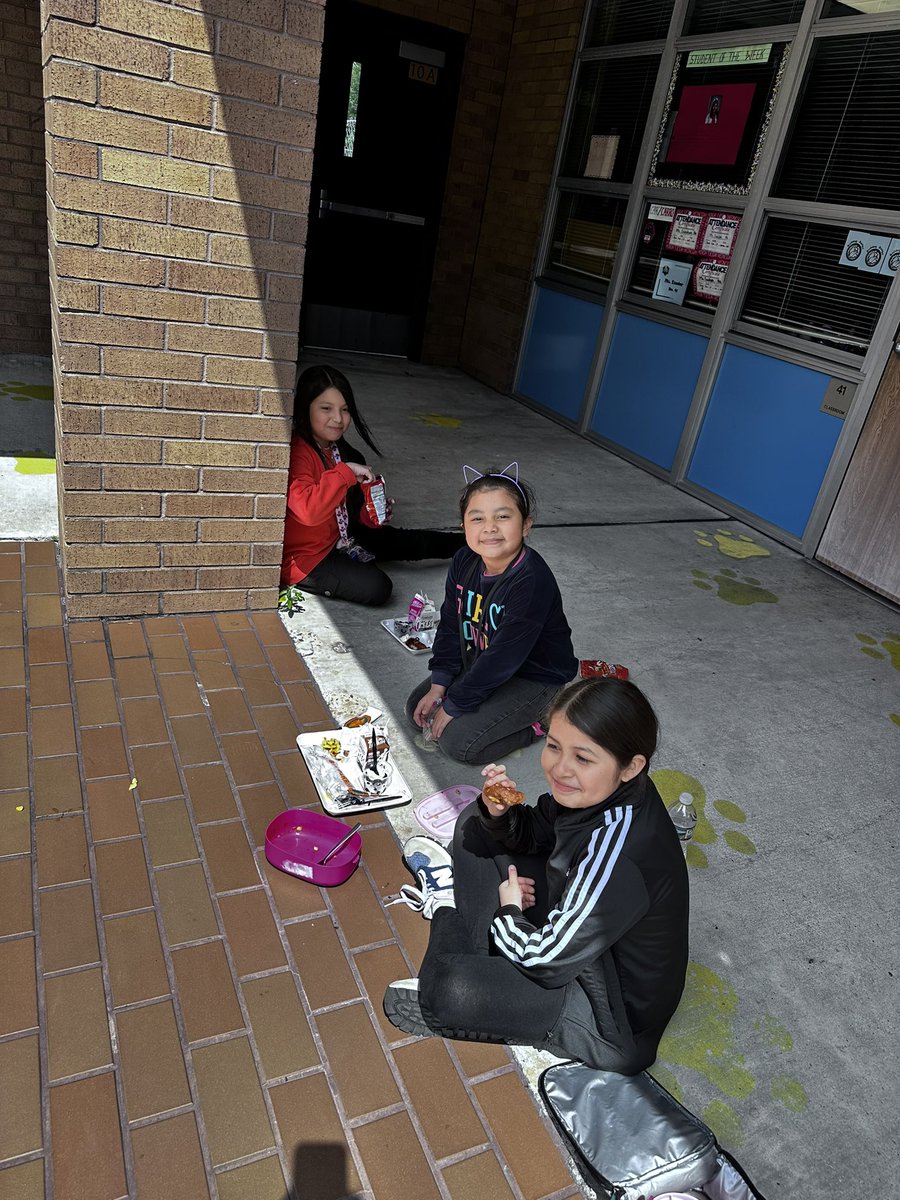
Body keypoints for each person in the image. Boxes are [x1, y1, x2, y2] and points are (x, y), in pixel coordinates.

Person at [384, 677, 689, 1075]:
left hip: (607, 1016)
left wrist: (507, 913)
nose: (559, 769)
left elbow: (548, 960)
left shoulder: (619, 849)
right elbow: (537, 831)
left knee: (451, 989)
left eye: (583, 758)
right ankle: (483, 957)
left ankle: (447, 908)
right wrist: (500, 811)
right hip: (576, 939)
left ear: (631, 766)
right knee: (476, 821)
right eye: (554, 746)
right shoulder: (600, 792)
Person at [405, 463, 577, 764]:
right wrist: (440, 683)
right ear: (464, 526)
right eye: (477, 518)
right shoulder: (463, 560)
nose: (490, 528)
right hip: (483, 659)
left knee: (459, 744)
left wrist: (456, 703)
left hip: (534, 678)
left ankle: (541, 722)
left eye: (503, 516)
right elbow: (450, 626)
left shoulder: (530, 581)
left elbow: (503, 658)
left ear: (525, 525)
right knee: (416, 710)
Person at [281, 364, 463, 606]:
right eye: (326, 408)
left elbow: (349, 512)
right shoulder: (297, 452)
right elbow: (308, 511)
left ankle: (467, 544)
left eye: (345, 410)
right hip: (307, 558)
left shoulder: (342, 451)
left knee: (404, 542)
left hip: (340, 536)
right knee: (377, 588)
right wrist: (345, 473)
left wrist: (370, 515)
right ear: (305, 409)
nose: (338, 419)